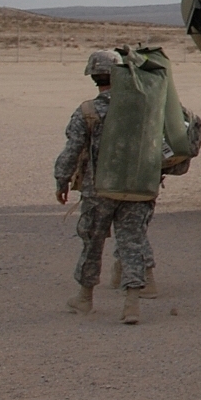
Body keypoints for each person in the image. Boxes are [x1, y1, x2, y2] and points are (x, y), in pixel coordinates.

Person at [54, 49, 154, 324]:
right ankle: (132, 304)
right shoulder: (143, 106)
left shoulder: (87, 111)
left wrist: (61, 180)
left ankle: (85, 298)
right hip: (136, 188)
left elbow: (72, 151)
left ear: (94, 78)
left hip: (98, 191)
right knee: (133, 243)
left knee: (92, 243)